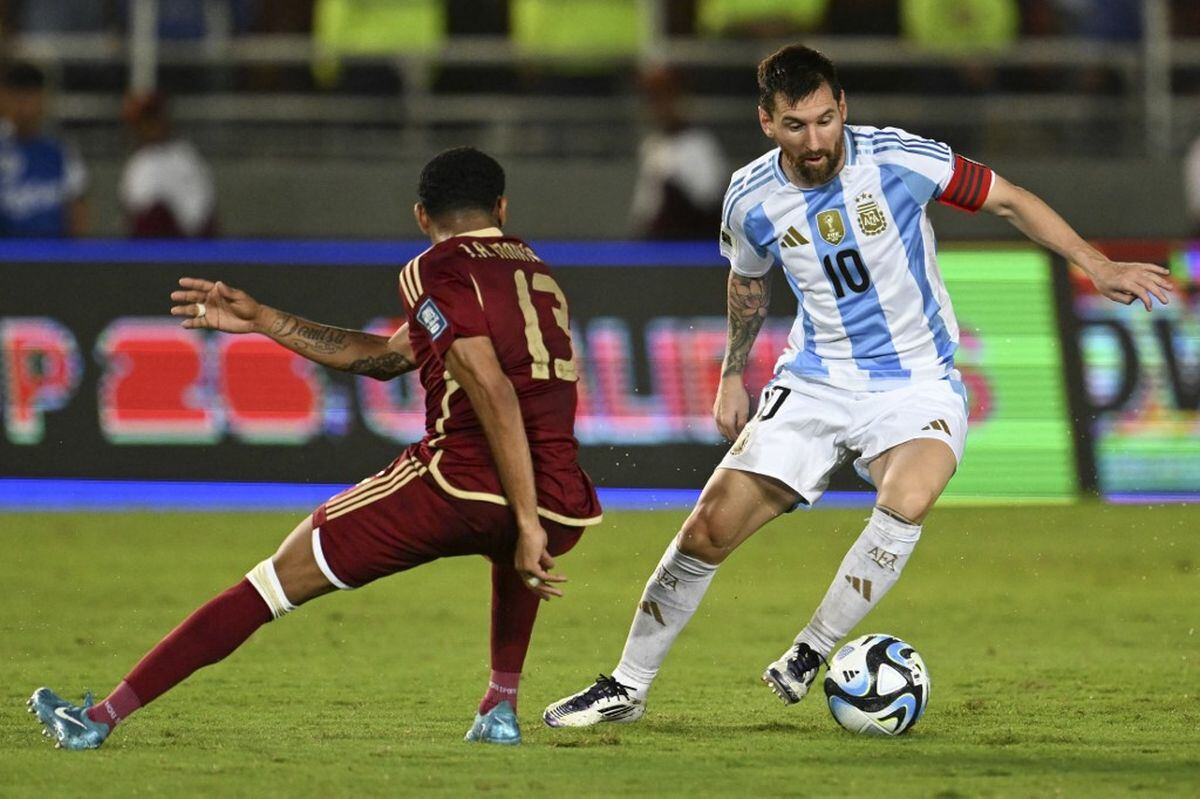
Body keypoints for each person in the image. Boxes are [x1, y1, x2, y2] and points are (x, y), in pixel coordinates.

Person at [543, 44, 1173, 727]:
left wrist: (1096, 264)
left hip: (918, 383)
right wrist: (731, 374)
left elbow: (1010, 201)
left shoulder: (900, 159)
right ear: (766, 122)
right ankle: (626, 687)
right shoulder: (750, 197)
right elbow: (748, 283)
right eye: (795, 126)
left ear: (842, 107)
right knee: (706, 530)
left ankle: (810, 650)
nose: (814, 141)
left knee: (909, 495)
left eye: (824, 120)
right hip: (816, 382)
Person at [28, 146, 602, 749]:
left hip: (460, 486)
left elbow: (493, 391)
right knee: (509, 543)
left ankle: (99, 719)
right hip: (561, 498)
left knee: (273, 581)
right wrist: (263, 320)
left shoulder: (435, 269)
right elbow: (385, 358)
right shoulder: (534, 272)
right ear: (502, 207)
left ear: (420, 215)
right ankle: (500, 708)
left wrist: (526, 522)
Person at [628, 65, 727, 240]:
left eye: (666, 96)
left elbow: (712, 206)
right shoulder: (652, 145)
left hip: (693, 246)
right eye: (653, 99)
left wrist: (674, 192)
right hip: (657, 247)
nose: (660, 107)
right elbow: (645, 214)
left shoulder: (700, 144)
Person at [0, 60, 89, 237]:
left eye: (30, 97)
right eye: (17, 98)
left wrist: (75, 251)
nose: (23, 107)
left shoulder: (60, 150)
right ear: (4, 99)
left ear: (42, 99)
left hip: (51, 252)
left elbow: (77, 212)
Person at [119, 92, 217, 238]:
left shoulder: (186, 157)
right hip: (152, 247)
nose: (150, 126)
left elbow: (207, 218)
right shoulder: (138, 163)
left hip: (189, 244)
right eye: (144, 121)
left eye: (153, 118)